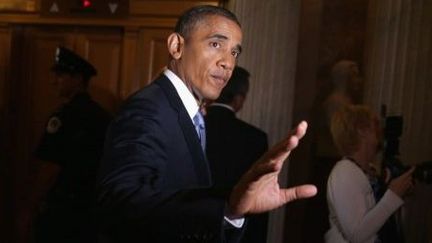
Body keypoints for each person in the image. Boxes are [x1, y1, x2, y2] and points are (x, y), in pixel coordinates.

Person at [97, 5, 317, 243]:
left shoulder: (188, 112)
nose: (228, 63)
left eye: (234, 52)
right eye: (215, 44)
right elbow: (121, 202)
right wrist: (224, 208)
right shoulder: (148, 109)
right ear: (176, 46)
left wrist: (233, 210)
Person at [29, 46, 112, 243]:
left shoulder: (63, 117)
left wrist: (31, 205)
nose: (53, 81)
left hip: (62, 209)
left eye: (60, 75)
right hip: (90, 210)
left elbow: (50, 166)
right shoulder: (101, 115)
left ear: (77, 79)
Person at [325, 105, 414, 243]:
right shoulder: (344, 172)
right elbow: (356, 235)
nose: (379, 132)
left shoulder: (370, 171)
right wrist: (393, 195)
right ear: (361, 131)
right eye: (375, 127)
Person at [205, 66, 269, 243]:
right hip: (239, 233)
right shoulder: (256, 139)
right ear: (239, 99)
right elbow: (258, 196)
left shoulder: (191, 127)